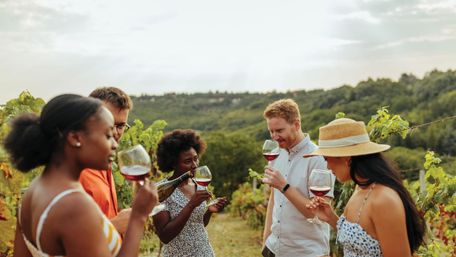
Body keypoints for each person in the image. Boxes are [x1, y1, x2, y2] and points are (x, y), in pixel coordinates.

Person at [6, 94, 158, 257]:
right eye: (107, 135)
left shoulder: (35, 190)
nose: (115, 144)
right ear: (75, 138)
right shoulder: (77, 206)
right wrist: (138, 218)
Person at [305, 118, 425, 257]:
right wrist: (331, 217)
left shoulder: (384, 200)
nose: (327, 166)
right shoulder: (361, 188)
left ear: (346, 158)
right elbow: (361, 240)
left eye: (327, 159)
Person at [261, 99, 334, 257]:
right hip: (274, 249)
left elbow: (315, 214)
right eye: (271, 131)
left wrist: (284, 187)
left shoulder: (318, 158)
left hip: (306, 252)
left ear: (296, 124)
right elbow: (274, 198)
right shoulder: (276, 154)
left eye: (279, 130)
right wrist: (266, 239)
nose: (275, 137)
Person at [152, 129, 228, 257]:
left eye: (196, 159)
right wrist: (191, 205)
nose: (195, 165)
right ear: (173, 164)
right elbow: (165, 236)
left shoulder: (198, 185)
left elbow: (197, 225)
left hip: (204, 252)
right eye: (187, 161)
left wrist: (209, 211)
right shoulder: (161, 190)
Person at [79, 87, 133, 234]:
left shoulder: (104, 164)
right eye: (108, 124)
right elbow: (66, 240)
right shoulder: (75, 172)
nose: (115, 133)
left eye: (121, 126)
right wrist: (114, 226)